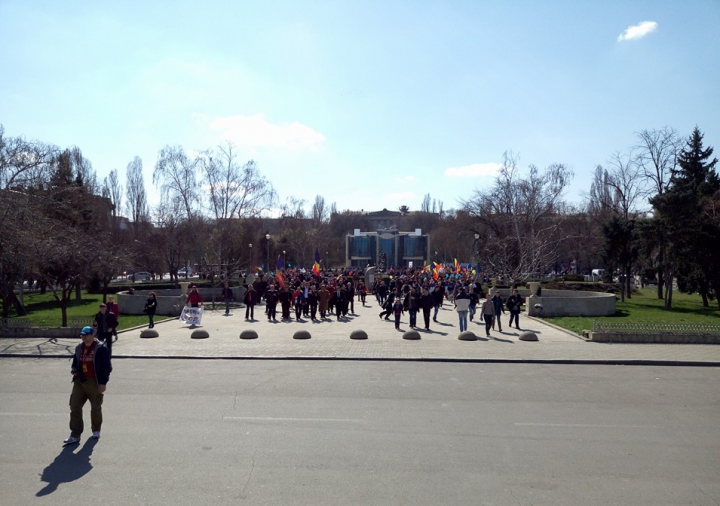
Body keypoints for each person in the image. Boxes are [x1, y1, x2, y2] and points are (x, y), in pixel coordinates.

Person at [63, 326, 112, 445]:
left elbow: (107, 367)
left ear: (92, 335)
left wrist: (103, 383)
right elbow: (75, 362)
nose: (83, 337)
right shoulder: (79, 347)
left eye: (85, 335)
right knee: (74, 406)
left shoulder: (101, 348)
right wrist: (74, 369)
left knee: (95, 407)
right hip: (79, 381)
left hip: (94, 382)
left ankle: (96, 430)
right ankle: (75, 434)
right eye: (82, 335)